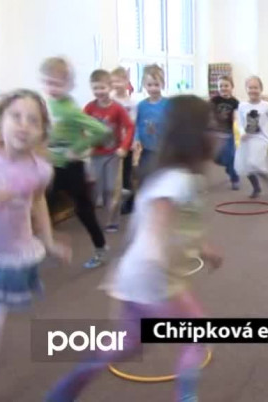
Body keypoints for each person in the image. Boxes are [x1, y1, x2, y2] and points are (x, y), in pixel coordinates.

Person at [45, 95, 223, 402]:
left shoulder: (176, 177)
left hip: (136, 277)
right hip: (156, 279)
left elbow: (181, 226)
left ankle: (65, 390)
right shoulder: (177, 181)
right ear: (193, 136)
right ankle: (186, 397)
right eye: (210, 127)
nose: (217, 133)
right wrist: (157, 263)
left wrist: (204, 248)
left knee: (128, 345)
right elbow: (158, 225)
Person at [0, 90, 71, 395]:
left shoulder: (40, 169)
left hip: (10, 255)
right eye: (16, 116)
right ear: (0, 121)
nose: (23, 125)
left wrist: (49, 240)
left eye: (33, 120)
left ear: (42, 132)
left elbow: (38, 201)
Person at [41, 56, 111, 269]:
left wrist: (78, 148)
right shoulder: (49, 104)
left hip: (72, 168)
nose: (52, 88)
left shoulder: (70, 110)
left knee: (84, 210)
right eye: (48, 83)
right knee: (42, 206)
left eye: (57, 84)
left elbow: (102, 130)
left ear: (69, 84)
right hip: (53, 167)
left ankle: (100, 247)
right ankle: (48, 245)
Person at [84, 69, 135, 233]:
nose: (99, 92)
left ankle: (113, 220)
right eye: (95, 88)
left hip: (113, 154)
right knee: (97, 189)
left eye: (103, 88)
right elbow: (80, 125)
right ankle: (120, 195)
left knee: (111, 188)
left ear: (110, 87)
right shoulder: (89, 108)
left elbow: (130, 126)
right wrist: (85, 144)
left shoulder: (117, 108)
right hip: (96, 155)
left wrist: (124, 147)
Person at [123, 64, 169, 214]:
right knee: (143, 176)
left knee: (161, 176)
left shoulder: (168, 104)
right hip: (147, 149)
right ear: (144, 85)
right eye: (149, 85)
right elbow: (136, 125)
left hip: (163, 149)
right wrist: (136, 139)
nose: (153, 88)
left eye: (156, 84)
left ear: (162, 84)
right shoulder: (141, 106)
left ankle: (162, 202)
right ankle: (139, 202)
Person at [210, 75, 241, 190]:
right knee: (216, 158)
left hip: (228, 133)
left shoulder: (235, 102)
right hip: (216, 134)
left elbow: (239, 115)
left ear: (232, 87)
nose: (223, 88)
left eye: (226, 86)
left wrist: (237, 120)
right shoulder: (214, 100)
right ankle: (228, 166)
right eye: (221, 86)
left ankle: (234, 178)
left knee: (231, 157)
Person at [110, 67, 137, 197]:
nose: (116, 85)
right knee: (112, 167)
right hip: (113, 141)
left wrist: (134, 140)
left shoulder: (131, 103)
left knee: (127, 167)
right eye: (113, 82)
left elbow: (133, 122)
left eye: (119, 81)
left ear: (126, 82)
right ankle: (112, 190)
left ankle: (127, 190)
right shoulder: (110, 100)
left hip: (127, 140)